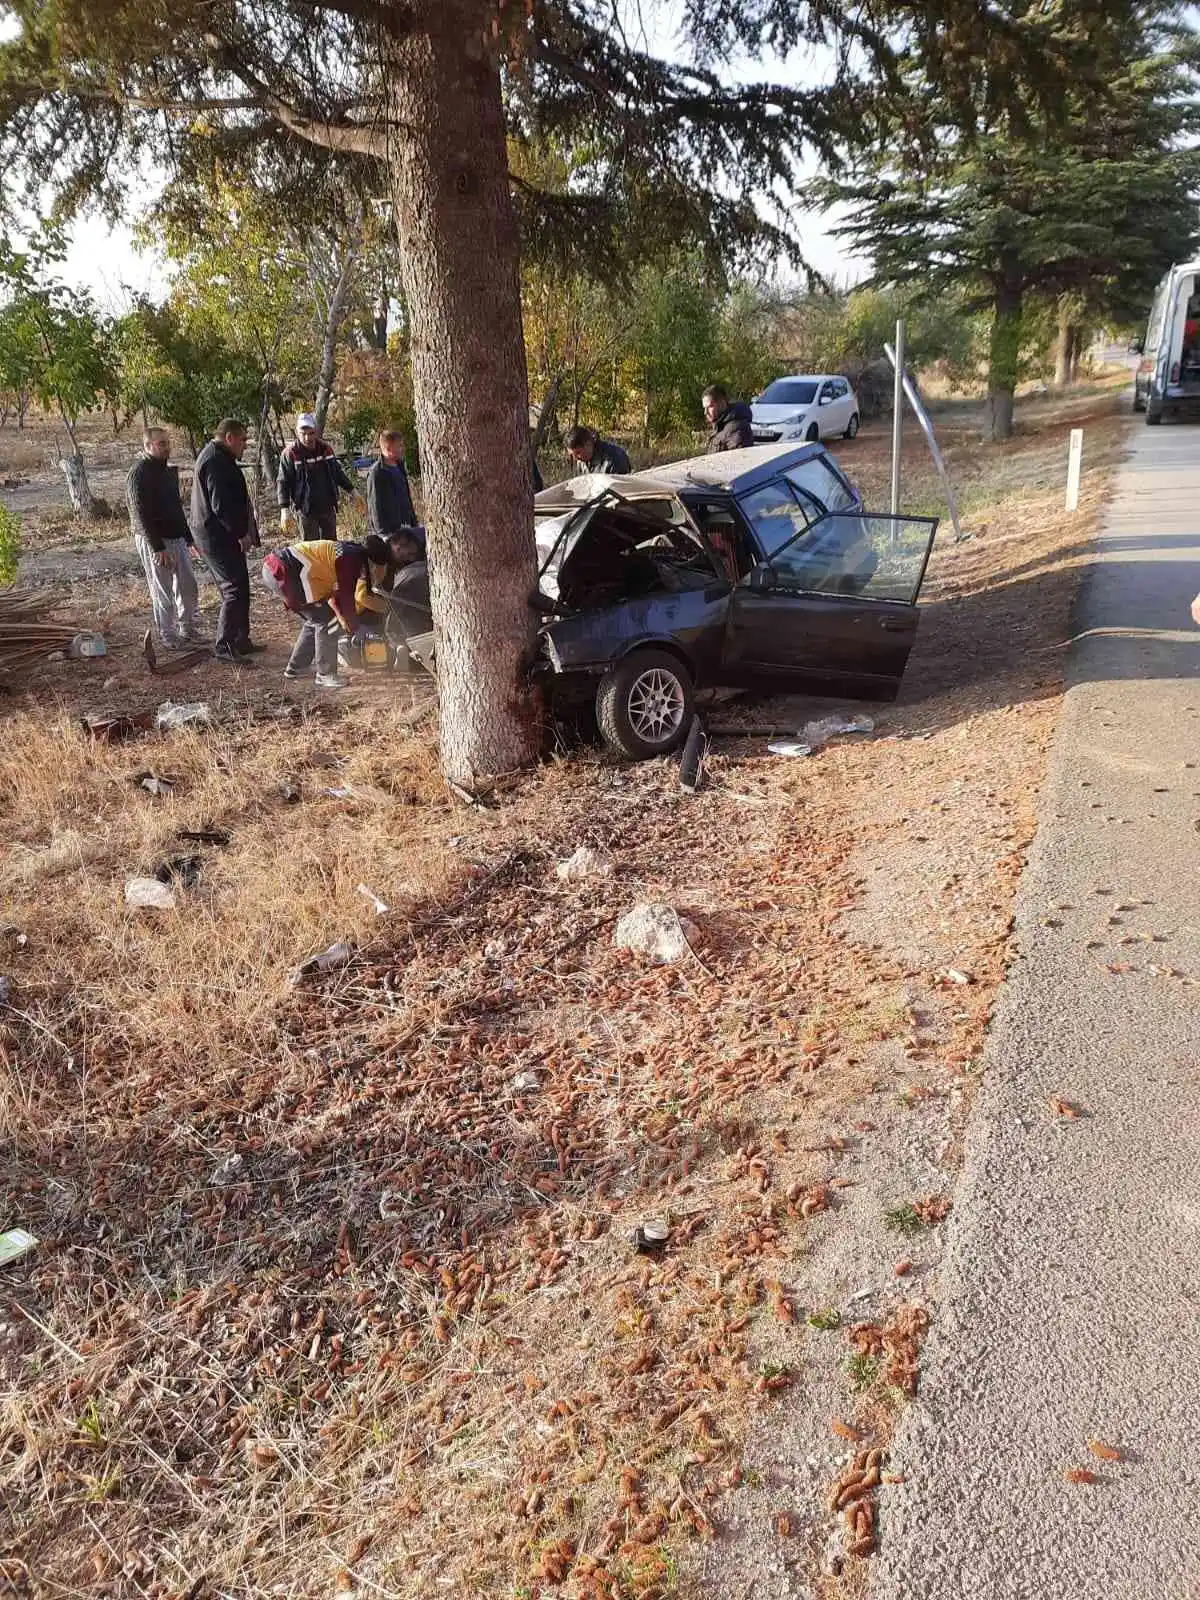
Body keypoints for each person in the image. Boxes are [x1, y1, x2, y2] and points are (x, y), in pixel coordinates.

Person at [262, 535, 385, 689]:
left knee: (316, 617)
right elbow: (347, 602)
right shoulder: (351, 561)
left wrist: (348, 622)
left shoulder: (348, 553)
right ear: (371, 561)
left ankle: (297, 667)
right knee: (326, 620)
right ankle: (325, 674)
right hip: (283, 572)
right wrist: (357, 629)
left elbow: (335, 599)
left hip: (276, 568)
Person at [190, 418, 262, 664]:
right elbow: (221, 506)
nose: (245, 445)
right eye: (242, 439)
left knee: (241, 586)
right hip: (217, 537)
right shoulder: (214, 460)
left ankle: (241, 639)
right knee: (233, 590)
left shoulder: (221, 457)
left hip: (222, 535)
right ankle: (225, 645)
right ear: (229, 437)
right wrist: (240, 533)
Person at [126, 427, 205, 649]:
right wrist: (156, 547)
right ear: (147, 446)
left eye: (167, 442)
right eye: (161, 443)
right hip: (155, 538)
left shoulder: (168, 471)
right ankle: (168, 634)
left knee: (188, 586)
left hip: (176, 536)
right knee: (163, 589)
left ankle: (187, 628)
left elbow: (176, 507)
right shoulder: (139, 473)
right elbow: (139, 512)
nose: (166, 447)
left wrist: (189, 539)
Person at [278, 412, 359, 540]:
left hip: (327, 506)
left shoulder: (325, 449)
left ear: (315, 431)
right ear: (297, 433)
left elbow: (337, 472)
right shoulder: (290, 454)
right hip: (305, 509)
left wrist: (352, 491)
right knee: (310, 549)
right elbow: (283, 482)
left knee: (330, 547)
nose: (307, 438)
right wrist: (284, 509)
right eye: (303, 434)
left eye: (310, 433)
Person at [365, 430, 417, 536]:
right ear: (389, 448)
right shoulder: (376, 473)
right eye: (399, 446)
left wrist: (413, 522)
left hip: (406, 527)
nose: (403, 449)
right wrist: (383, 534)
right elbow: (375, 505)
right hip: (390, 533)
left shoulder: (400, 466)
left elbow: (406, 497)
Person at [702, 384, 755, 453]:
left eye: (710, 406)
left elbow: (740, 460)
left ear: (722, 403)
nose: (705, 412)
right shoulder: (720, 426)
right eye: (704, 408)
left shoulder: (737, 428)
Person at [564, 425, 631, 476]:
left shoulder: (615, 459)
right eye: (572, 455)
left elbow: (622, 491)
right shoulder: (581, 460)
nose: (575, 458)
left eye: (578, 453)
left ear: (588, 444)